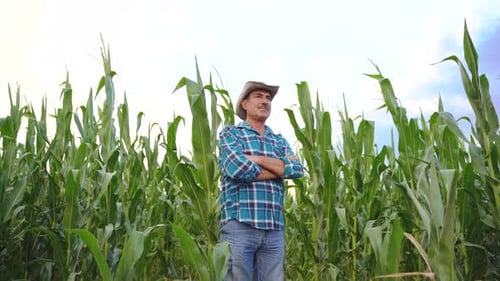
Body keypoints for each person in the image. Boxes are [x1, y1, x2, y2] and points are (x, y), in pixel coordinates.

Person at [218, 81, 304, 280]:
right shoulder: (231, 134)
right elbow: (237, 168)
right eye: (258, 96)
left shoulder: (279, 140)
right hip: (239, 225)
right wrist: (281, 168)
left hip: (273, 228)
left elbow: (297, 169)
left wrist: (255, 159)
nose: (265, 101)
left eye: (268, 98)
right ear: (244, 104)